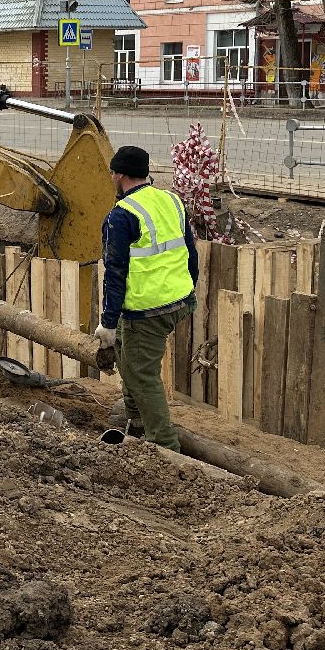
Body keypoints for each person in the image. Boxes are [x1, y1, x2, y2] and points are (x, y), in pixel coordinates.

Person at [93, 145, 198, 451]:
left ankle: (163, 446)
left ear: (121, 175)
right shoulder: (171, 200)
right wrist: (190, 288)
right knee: (128, 359)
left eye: (113, 173)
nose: (111, 178)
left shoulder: (121, 215)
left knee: (141, 374)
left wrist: (108, 323)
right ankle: (136, 421)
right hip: (178, 298)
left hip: (147, 308)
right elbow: (190, 252)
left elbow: (114, 273)